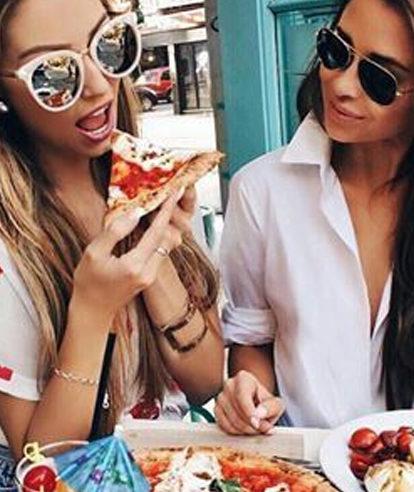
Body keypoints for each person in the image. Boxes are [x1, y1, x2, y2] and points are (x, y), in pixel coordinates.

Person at [0, 0, 224, 482]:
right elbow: (42, 467)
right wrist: (92, 310)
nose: (100, 86)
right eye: (53, 74)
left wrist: (155, 248)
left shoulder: (148, 176)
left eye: (109, 45)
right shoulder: (7, 242)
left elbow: (206, 381)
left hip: (178, 471)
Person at [215, 0, 414, 435]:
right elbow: (253, 338)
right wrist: (250, 393)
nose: (340, 84)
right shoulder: (260, 191)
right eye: (336, 50)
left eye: (379, 78)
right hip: (300, 465)